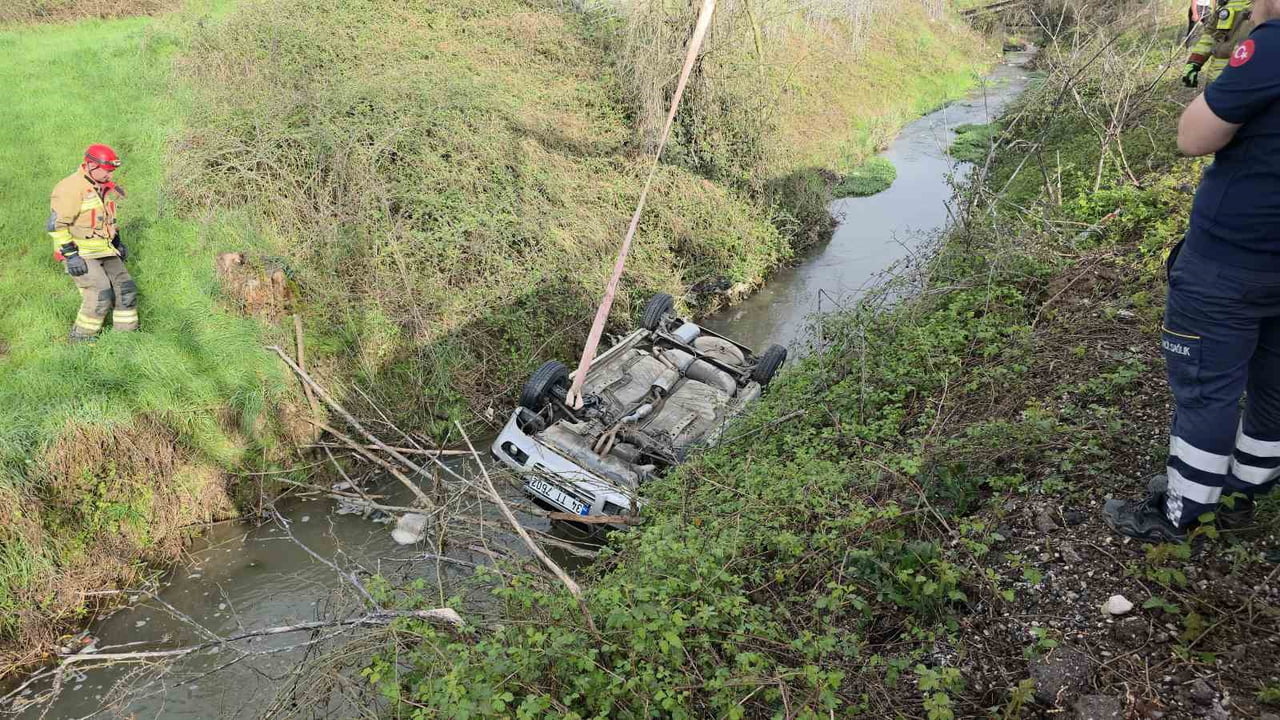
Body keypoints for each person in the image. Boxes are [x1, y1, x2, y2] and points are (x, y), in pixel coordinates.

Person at [1105, 4, 1280, 542]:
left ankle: (1181, 516)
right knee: (1275, 387)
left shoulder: (1270, 46)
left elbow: (1194, 136)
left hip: (1233, 259)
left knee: (1207, 390)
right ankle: (1241, 498)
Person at [48, 144, 137, 341]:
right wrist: (71, 256)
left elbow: (107, 219)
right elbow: (57, 226)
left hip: (104, 248)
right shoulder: (70, 188)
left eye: (112, 172)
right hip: (80, 253)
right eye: (107, 171)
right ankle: (81, 339)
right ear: (90, 165)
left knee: (126, 288)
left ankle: (126, 337)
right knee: (100, 293)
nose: (110, 176)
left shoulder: (104, 187)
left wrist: (117, 242)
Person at [1183, 0, 1254, 87]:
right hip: (1215, 79)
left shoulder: (1265, 7)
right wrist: (1194, 62)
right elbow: (1209, 36)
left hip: (1241, 82)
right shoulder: (1226, 4)